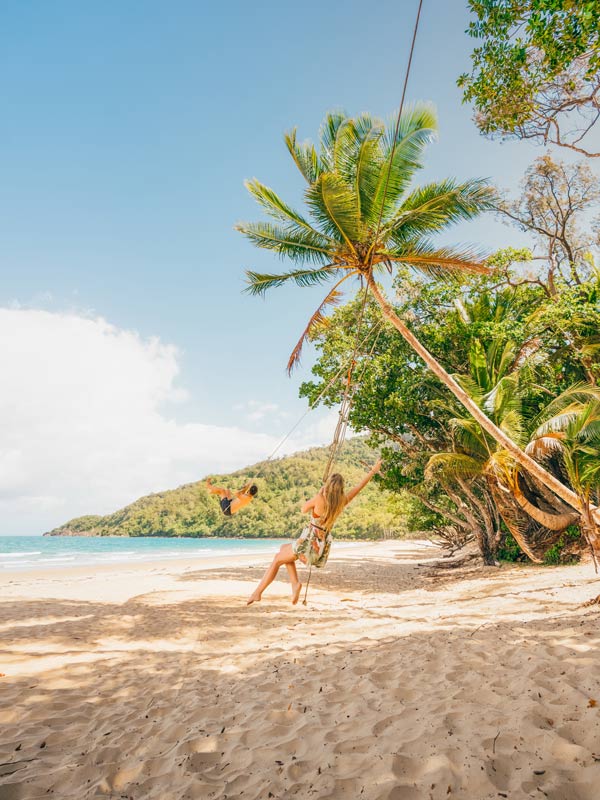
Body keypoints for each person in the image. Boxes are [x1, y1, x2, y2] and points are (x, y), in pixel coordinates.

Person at [246, 458, 382, 606]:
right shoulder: (342, 501)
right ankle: (295, 584)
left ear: (328, 485)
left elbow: (303, 509)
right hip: (320, 545)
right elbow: (360, 486)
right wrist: (373, 471)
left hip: (308, 543)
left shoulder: (319, 499)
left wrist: (319, 494)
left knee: (277, 559)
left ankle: (258, 592)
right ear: (341, 488)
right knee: (283, 550)